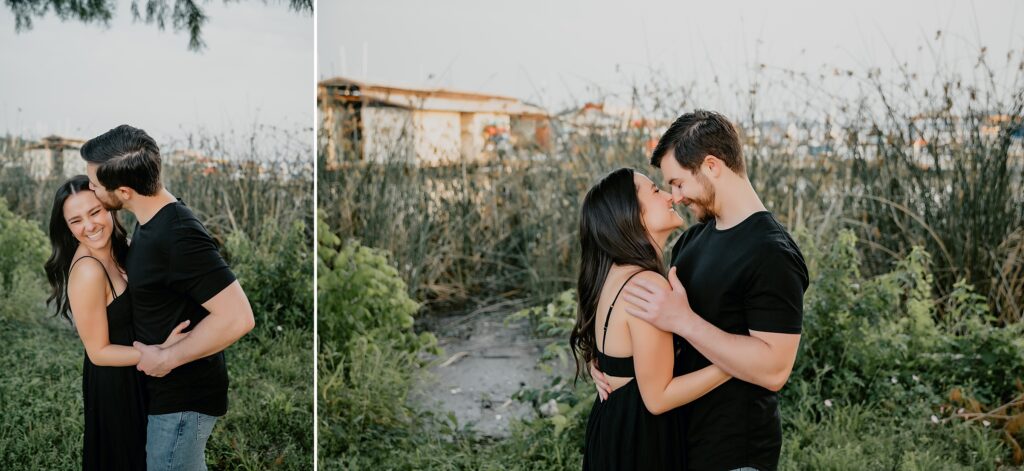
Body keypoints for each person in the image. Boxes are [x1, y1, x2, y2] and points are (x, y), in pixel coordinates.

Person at [593, 110, 808, 471]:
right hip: (677, 442)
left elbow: (774, 370)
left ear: (711, 166)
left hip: (733, 452)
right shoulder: (692, 239)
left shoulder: (772, 253)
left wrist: (683, 320)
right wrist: (613, 365)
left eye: (678, 183)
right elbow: (657, 331)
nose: (675, 197)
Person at [80, 124, 256, 471]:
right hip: (163, 394)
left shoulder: (178, 235)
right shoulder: (151, 220)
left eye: (95, 185)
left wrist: (167, 357)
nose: (91, 190)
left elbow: (238, 317)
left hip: (183, 398)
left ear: (125, 191)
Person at [571, 167, 732, 470]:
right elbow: (658, 398)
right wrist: (733, 364)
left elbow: (619, 357)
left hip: (612, 430)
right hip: (640, 442)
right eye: (656, 191)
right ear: (631, 215)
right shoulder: (647, 285)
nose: (670, 197)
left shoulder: (614, 274)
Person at [44, 175, 190, 470]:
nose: (89, 226)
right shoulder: (88, 271)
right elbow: (98, 352)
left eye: (94, 212)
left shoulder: (122, 246)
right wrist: (160, 352)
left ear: (109, 207)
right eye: (76, 221)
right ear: (67, 228)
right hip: (116, 384)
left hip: (140, 372)